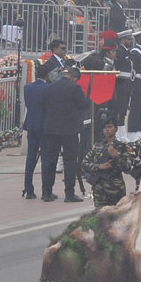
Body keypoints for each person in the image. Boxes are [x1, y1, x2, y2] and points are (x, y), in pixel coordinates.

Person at [40, 66, 90, 202]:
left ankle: (46, 192)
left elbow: (43, 106)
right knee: (70, 162)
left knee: (50, 161)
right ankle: (69, 193)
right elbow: (83, 105)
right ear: (74, 78)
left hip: (51, 129)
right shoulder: (75, 88)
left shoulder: (49, 87)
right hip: (70, 130)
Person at [81, 111, 136, 208]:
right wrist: (99, 166)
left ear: (116, 129)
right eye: (105, 127)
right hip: (99, 189)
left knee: (116, 216)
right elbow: (84, 164)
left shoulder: (123, 147)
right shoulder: (98, 145)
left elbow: (128, 168)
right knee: (100, 216)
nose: (107, 130)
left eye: (110, 127)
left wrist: (116, 156)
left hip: (115, 188)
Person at [22, 64, 50, 199]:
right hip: (44, 126)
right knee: (46, 160)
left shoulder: (27, 88)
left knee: (30, 159)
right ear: (47, 75)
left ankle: (29, 189)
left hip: (31, 124)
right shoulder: (48, 89)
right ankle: (46, 190)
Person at [127, 29, 141, 139]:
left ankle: (137, 130)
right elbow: (132, 71)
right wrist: (132, 86)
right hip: (137, 83)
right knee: (135, 109)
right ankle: (132, 132)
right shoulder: (135, 53)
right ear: (138, 39)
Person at [113, 29, 134, 141]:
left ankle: (121, 132)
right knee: (120, 109)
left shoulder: (126, 51)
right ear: (123, 40)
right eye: (129, 39)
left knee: (123, 109)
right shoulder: (119, 51)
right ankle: (119, 134)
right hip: (121, 83)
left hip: (126, 82)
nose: (131, 41)